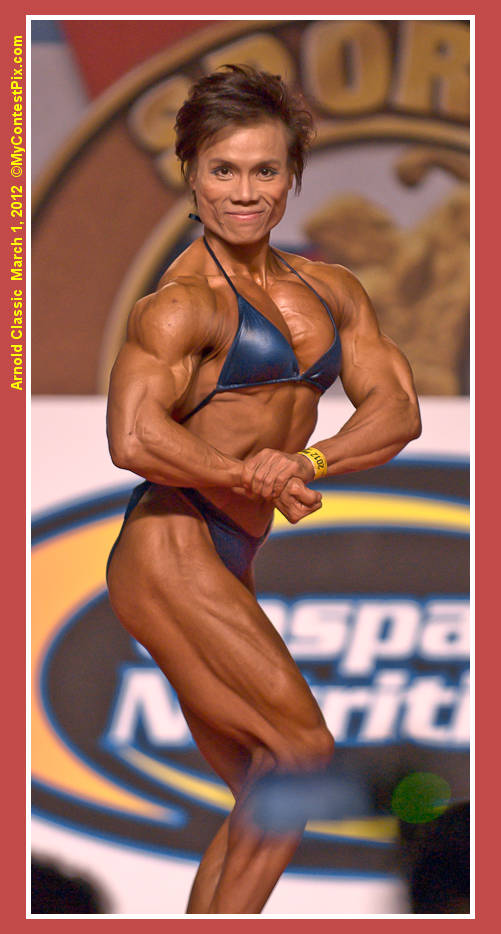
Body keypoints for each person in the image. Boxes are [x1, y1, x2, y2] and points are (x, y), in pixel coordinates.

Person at [106, 64, 421, 915]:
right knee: (301, 755)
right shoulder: (181, 304)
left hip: (230, 552)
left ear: (291, 177)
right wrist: (242, 473)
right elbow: (133, 437)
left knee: (264, 786)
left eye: (263, 171)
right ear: (191, 175)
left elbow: (395, 411)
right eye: (223, 170)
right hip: (169, 542)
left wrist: (307, 463)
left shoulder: (331, 289)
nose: (243, 193)